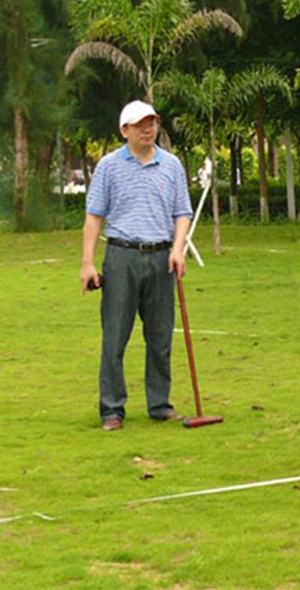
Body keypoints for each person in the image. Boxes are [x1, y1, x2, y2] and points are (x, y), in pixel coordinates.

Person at [79, 100, 193, 431]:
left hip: (161, 258)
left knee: (160, 336)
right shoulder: (108, 167)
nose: (148, 129)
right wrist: (87, 264)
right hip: (121, 257)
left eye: (152, 123)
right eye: (140, 124)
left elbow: (182, 213)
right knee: (115, 336)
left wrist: (178, 249)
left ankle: (159, 404)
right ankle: (112, 409)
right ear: (124, 130)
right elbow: (94, 217)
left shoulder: (171, 166)